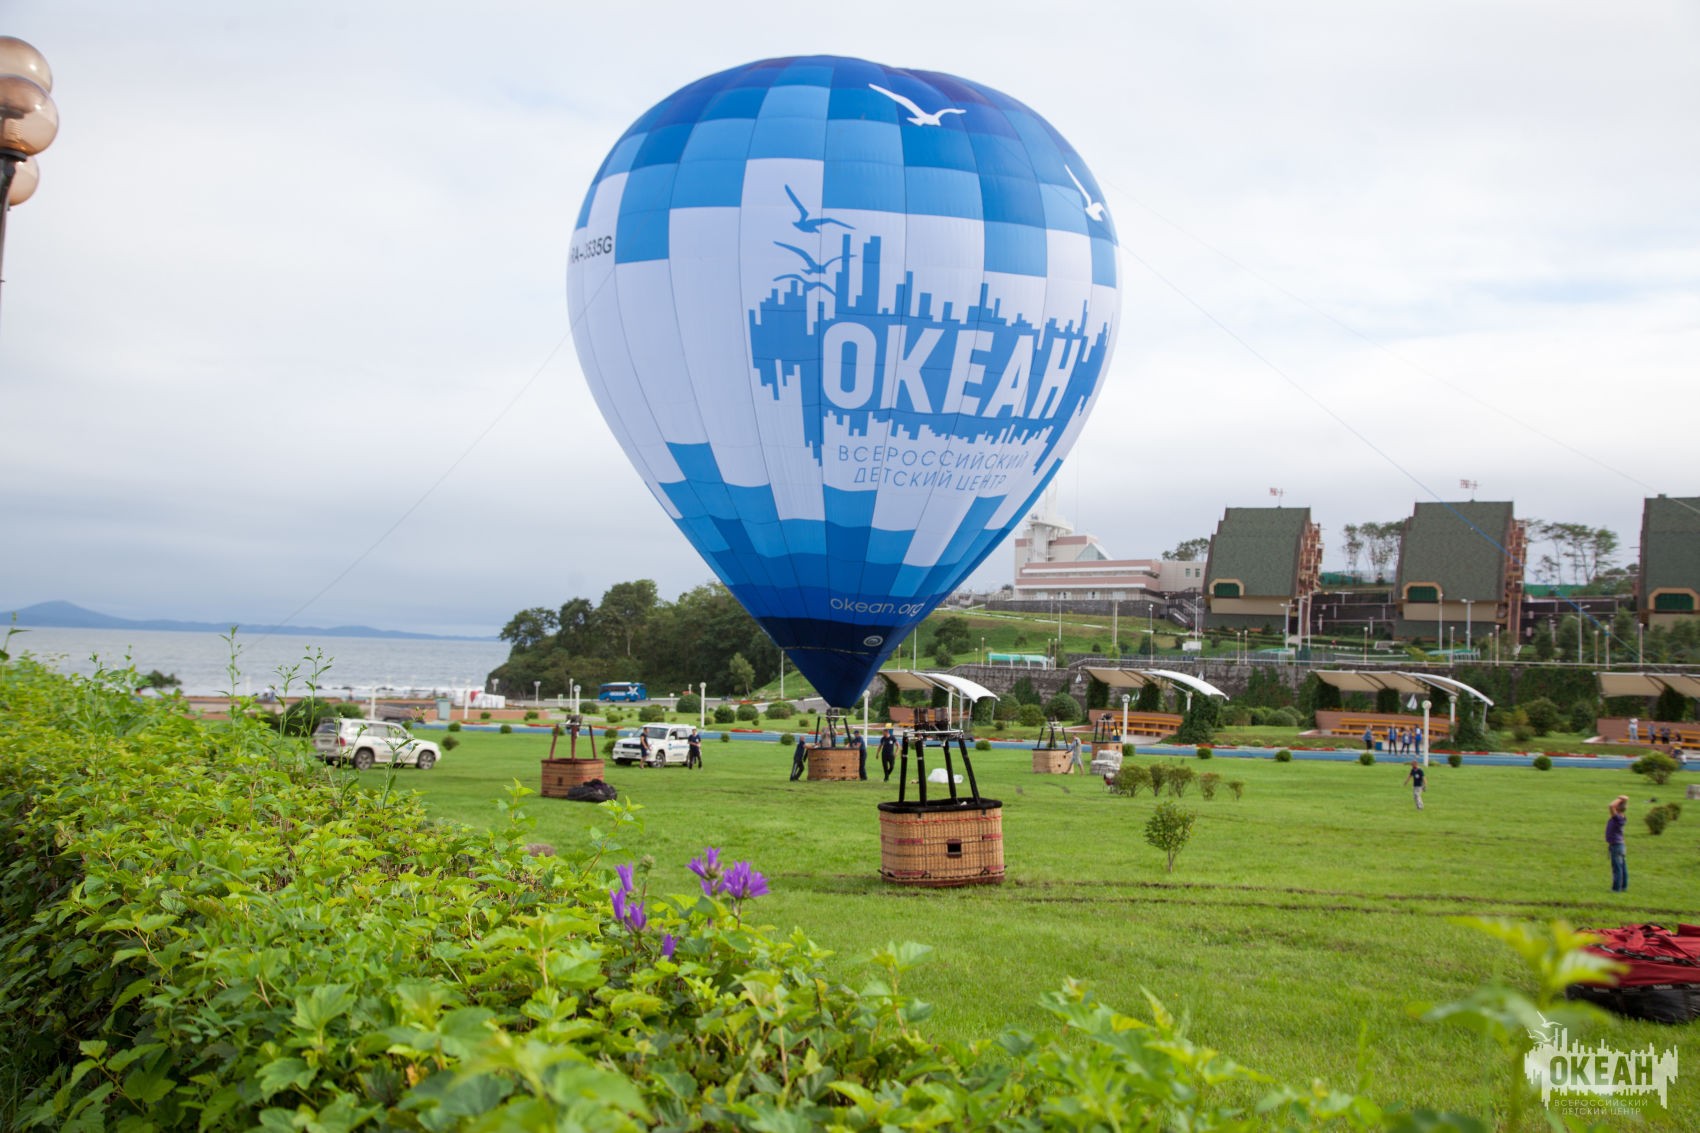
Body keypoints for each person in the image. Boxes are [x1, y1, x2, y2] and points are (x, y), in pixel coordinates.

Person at [1606, 795, 1629, 891]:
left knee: (1617, 868)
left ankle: (1616, 889)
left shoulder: (1617, 818)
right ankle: (1624, 886)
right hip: (1621, 845)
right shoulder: (1622, 817)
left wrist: (1621, 799)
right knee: (1622, 867)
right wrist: (1623, 801)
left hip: (1616, 846)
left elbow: (1611, 806)